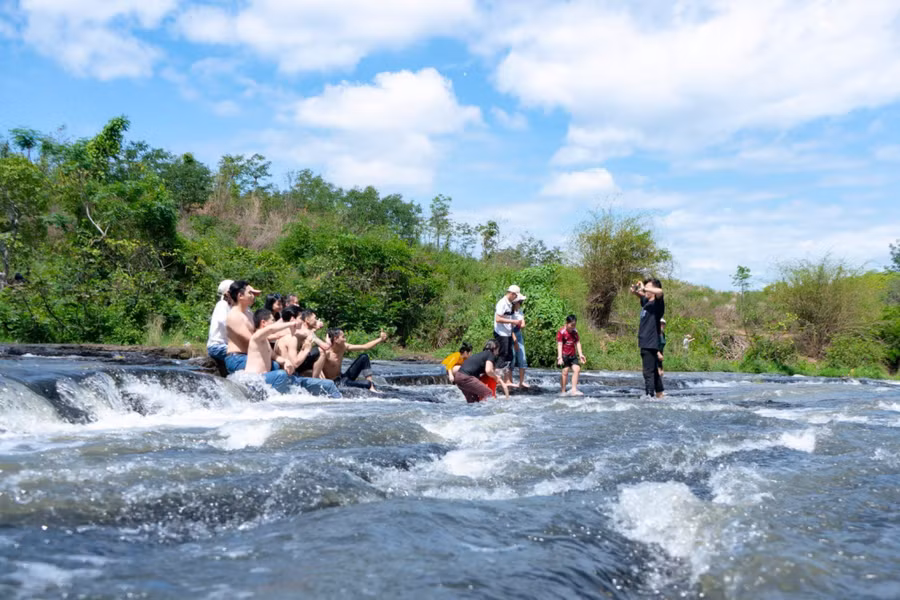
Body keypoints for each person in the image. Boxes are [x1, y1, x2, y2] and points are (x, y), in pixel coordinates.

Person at [274, 306, 341, 398]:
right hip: (291, 378)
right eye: (301, 318)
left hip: (285, 375)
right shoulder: (292, 337)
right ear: (293, 319)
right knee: (329, 384)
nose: (302, 321)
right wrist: (306, 350)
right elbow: (295, 363)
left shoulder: (283, 333)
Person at [243, 308, 299, 393]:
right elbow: (271, 329)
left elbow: (274, 356)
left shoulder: (265, 340)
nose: (274, 323)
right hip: (253, 380)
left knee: (282, 372)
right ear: (263, 323)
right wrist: (291, 323)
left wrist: (285, 361)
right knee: (281, 374)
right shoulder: (256, 337)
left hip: (262, 379)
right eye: (272, 320)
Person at [320, 328, 389, 390]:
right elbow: (317, 369)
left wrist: (380, 339)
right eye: (343, 337)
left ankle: (371, 386)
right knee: (366, 384)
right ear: (336, 339)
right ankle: (369, 384)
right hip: (335, 383)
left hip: (342, 377)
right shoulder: (325, 352)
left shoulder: (343, 346)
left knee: (364, 357)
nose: (345, 339)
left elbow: (365, 347)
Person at [631, 278, 665, 399]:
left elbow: (660, 291)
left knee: (648, 372)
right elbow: (640, 295)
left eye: (649, 287)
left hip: (650, 342)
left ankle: (649, 397)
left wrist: (644, 288)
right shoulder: (647, 302)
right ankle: (660, 394)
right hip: (645, 341)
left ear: (653, 289)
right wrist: (635, 290)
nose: (646, 289)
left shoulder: (657, 304)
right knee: (654, 371)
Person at [224, 280, 262, 374]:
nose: (253, 296)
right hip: (237, 358)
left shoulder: (248, 313)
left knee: (275, 365)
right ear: (240, 296)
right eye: (250, 293)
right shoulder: (234, 316)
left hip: (247, 356)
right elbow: (251, 340)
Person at [494, 285, 526, 383]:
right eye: (516, 296)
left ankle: (507, 381)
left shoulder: (510, 304)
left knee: (509, 357)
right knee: (502, 357)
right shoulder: (502, 303)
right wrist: (513, 322)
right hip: (501, 333)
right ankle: (497, 381)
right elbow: (498, 319)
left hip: (507, 333)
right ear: (512, 294)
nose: (516, 299)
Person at [206, 279, 233, 372]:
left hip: (226, 345)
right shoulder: (222, 304)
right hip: (217, 346)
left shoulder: (231, 306)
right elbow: (224, 323)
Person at [557, 314, 587, 395]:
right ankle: (563, 391)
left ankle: (574, 389)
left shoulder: (575, 331)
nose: (573, 327)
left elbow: (577, 343)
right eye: (571, 325)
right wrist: (559, 357)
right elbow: (559, 344)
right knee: (565, 371)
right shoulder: (561, 332)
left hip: (572, 355)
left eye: (574, 325)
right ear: (566, 323)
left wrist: (581, 355)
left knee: (577, 369)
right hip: (564, 355)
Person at [510, 298, 529, 388]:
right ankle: (510, 381)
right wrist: (515, 341)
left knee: (523, 358)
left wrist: (517, 323)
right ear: (515, 303)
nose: (521, 304)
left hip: (518, 334)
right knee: (512, 358)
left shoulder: (520, 311)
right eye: (519, 302)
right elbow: (510, 328)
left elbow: (523, 324)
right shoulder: (510, 312)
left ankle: (521, 382)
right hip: (510, 334)